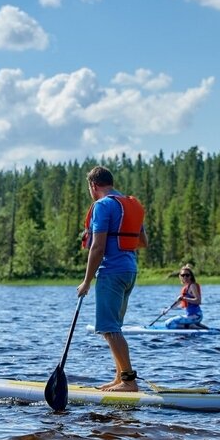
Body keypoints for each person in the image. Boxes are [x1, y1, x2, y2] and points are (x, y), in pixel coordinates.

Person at [77, 165, 148, 392]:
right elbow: (143, 242)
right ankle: (120, 378)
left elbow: (97, 247)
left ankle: (128, 381)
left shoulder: (102, 205)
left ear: (93, 186)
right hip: (130, 271)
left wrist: (87, 281)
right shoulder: (131, 205)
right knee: (114, 327)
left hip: (111, 272)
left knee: (110, 329)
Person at [164, 264, 203, 329]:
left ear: (191, 276)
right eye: (183, 275)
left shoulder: (192, 286)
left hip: (196, 316)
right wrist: (167, 310)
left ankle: (190, 326)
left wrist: (184, 298)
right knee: (170, 322)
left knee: (168, 324)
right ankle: (196, 325)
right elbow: (178, 303)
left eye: (187, 275)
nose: (185, 277)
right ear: (180, 277)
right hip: (191, 316)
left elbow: (198, 301)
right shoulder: (185, 288)